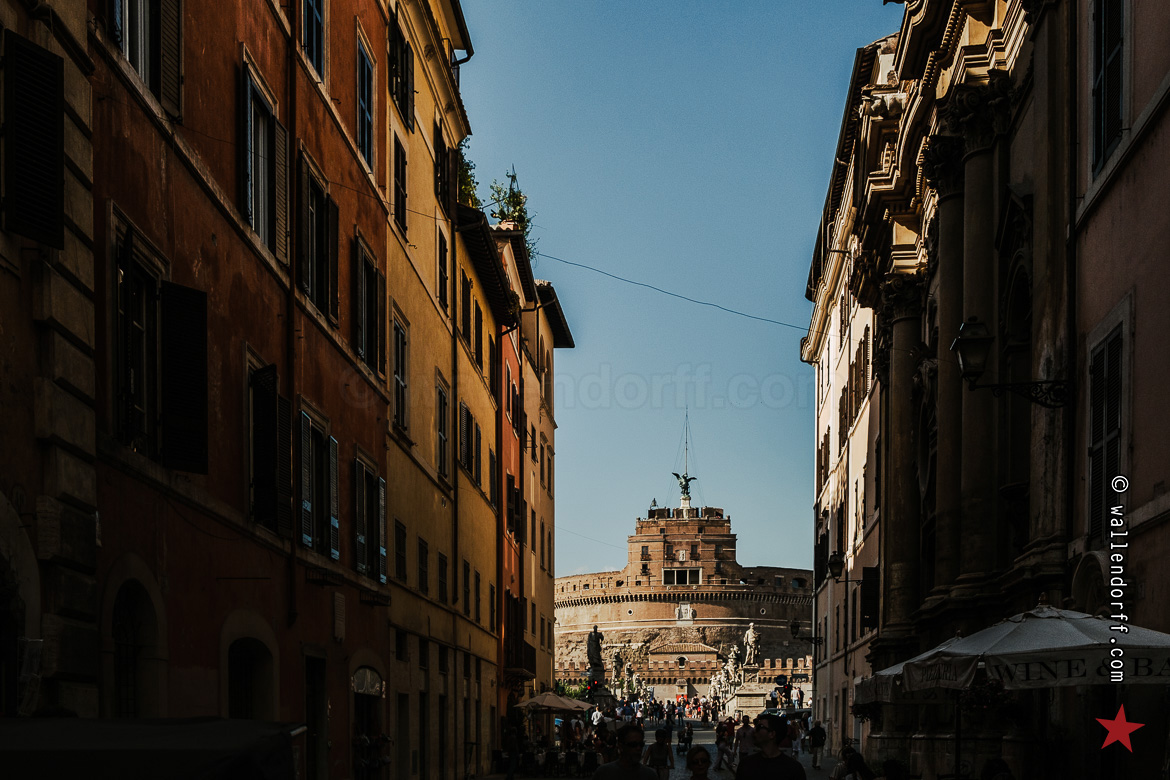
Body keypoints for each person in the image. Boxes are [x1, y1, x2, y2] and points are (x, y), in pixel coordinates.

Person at [735, 712, 806, 780]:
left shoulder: (794, 769)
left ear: (772, 734)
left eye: (760, 727)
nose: (755, 730)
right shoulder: (745, 764)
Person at [592, 724, 657, 780]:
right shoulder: (603, 773)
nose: (638, 748)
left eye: (641, 744)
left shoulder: (650, 775)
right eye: (633, 745)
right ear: (621, 746)